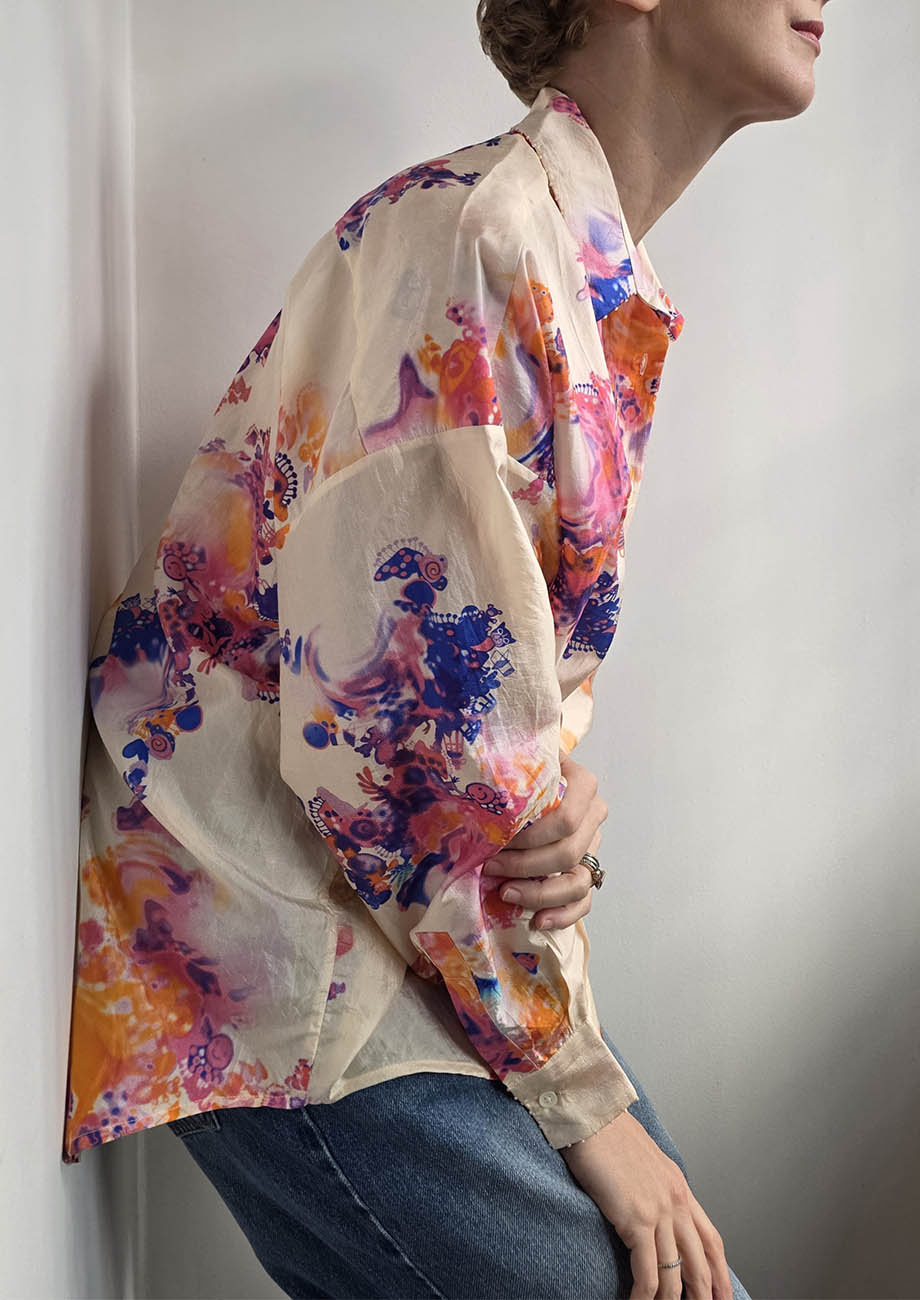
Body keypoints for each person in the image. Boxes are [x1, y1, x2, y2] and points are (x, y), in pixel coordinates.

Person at [61, 0, 829, 1296]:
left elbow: (467, 685)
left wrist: (555, 801)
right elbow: (395, 736)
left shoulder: (580, 273)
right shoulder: (484, 241)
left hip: (403, 922)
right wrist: (582, 1099)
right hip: (286, 950)